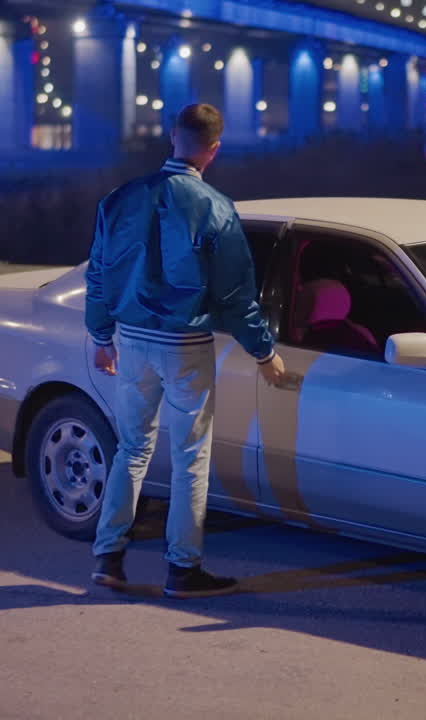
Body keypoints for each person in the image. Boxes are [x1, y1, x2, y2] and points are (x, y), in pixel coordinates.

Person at [84, 103, 286, 598]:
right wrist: (264, 352)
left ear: (172, 136)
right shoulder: (216, 208)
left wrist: (101, 336)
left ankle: (108, 558)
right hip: (184, 344)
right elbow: (238, 297)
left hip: (132, 340)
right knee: (190, 457)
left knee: (131, 448)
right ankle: (182, 569)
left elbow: (98, 274)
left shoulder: (119, 198)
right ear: (213, 150)